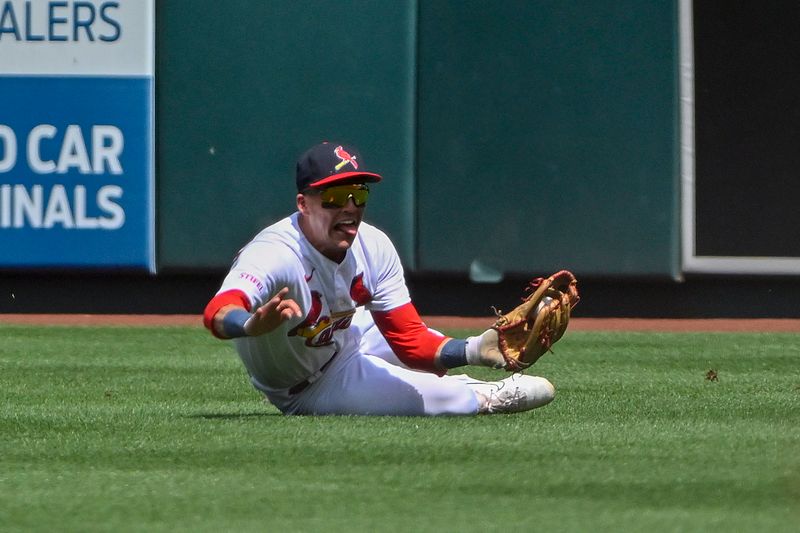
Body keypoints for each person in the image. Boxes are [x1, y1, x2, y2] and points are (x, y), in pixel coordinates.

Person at [203, 141, 556, 416]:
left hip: (348, 332)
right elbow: (218, 311)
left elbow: (409, 339)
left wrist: (478, 349)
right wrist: (249, 324)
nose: (351, 207)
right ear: (303, 204)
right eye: (336, 196)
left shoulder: (373, 245)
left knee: (412, 343)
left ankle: (467, 369)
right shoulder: (276, 252)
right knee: (451, 402)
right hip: (307, 386)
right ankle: (476, 394)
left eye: (359, 194)